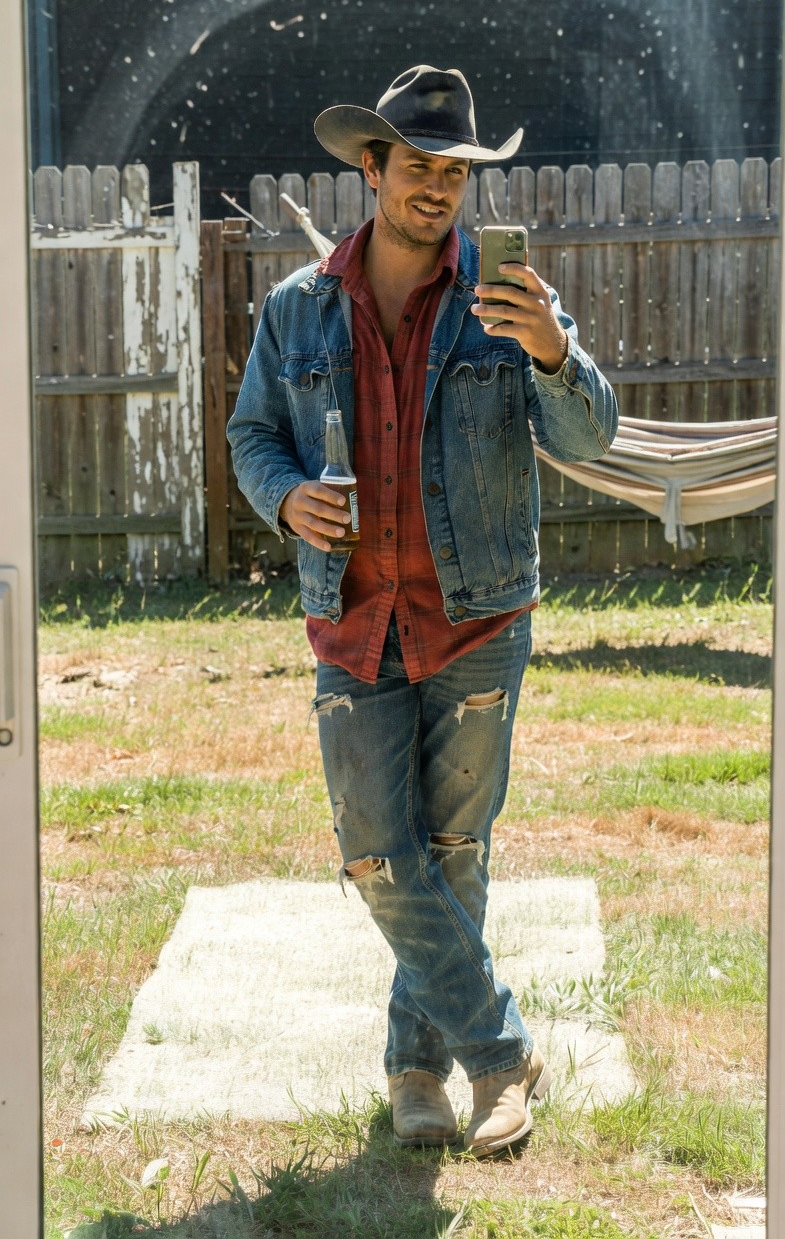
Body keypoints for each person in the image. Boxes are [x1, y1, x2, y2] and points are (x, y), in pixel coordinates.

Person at [227, 65, 618, 1157]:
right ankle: (502, 1051)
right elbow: (252, 434)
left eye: (455, 171)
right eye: (418, 166)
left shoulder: (508, 301)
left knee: (454, 850)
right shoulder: (299, 307)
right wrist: (283, 496)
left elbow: (592, 437)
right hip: (351, 616)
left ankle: (416, 1070)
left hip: (478, 620)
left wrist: (552, 349)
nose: (437, 187)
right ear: (373, 167)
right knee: (373, 852)